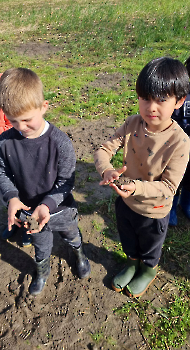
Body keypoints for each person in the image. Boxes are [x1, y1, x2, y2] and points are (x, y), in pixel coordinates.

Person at [94, 57, 190, 298]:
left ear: (179, 101)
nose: (151, 107)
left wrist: (136, 187)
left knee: (150, 246)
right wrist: (106, 170)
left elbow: (169, 187)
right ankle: (132, 263)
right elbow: (103, 150)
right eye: (145, 98)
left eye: (161, 100)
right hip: (125, 201)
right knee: (128, 238)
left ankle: (148, 269)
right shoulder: (132, 124)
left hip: (154, 209)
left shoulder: (180, 142)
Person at [0, 68, 91, 296]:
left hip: (60, 208)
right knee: (41, 244)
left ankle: (79, 253)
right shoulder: (4, 142)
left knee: (71, 234)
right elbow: (2, 174)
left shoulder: (60, 143)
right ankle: (42, 269)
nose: (21, 127)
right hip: (30, 212)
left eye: (27, 120)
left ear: (44, 106)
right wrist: (12, 198)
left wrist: (47, 204)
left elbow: (67, 181)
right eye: (13, 121)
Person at [0, 73, 32, 247]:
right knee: (4, 193)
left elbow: (23, 120)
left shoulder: (7, 86)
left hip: (15, 155)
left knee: (26, 193)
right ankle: (14, 219)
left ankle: (28, 226)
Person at [169, 56, 190, 225]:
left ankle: (186, 204)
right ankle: (172, 208)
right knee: (177, 179)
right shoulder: (179, 95)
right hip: (177, 149)